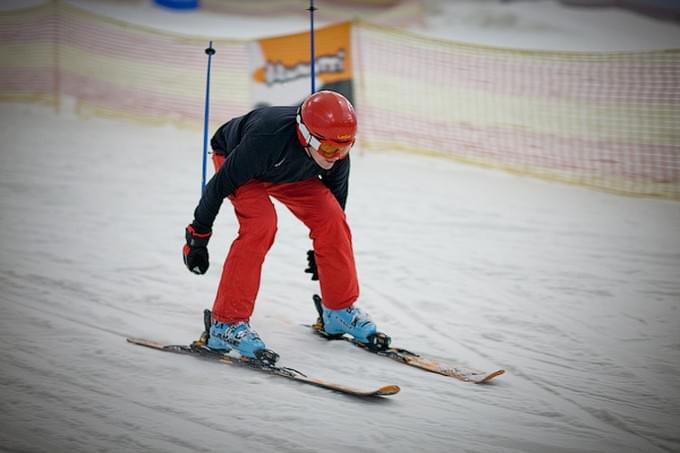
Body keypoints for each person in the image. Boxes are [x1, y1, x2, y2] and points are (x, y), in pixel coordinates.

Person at [182, 90, 379, 361]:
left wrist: (325, 255)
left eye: (346, 147)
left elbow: (334, 211)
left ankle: (338, 311)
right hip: (240, 160)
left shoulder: (332, 154)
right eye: (331, 148)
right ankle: (225, 324)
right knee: (261, 224)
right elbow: (216, 188)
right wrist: (197, 238)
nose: (336, 156)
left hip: (290, 172)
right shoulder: (265, 139)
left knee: (332, 219)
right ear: (306, 135)